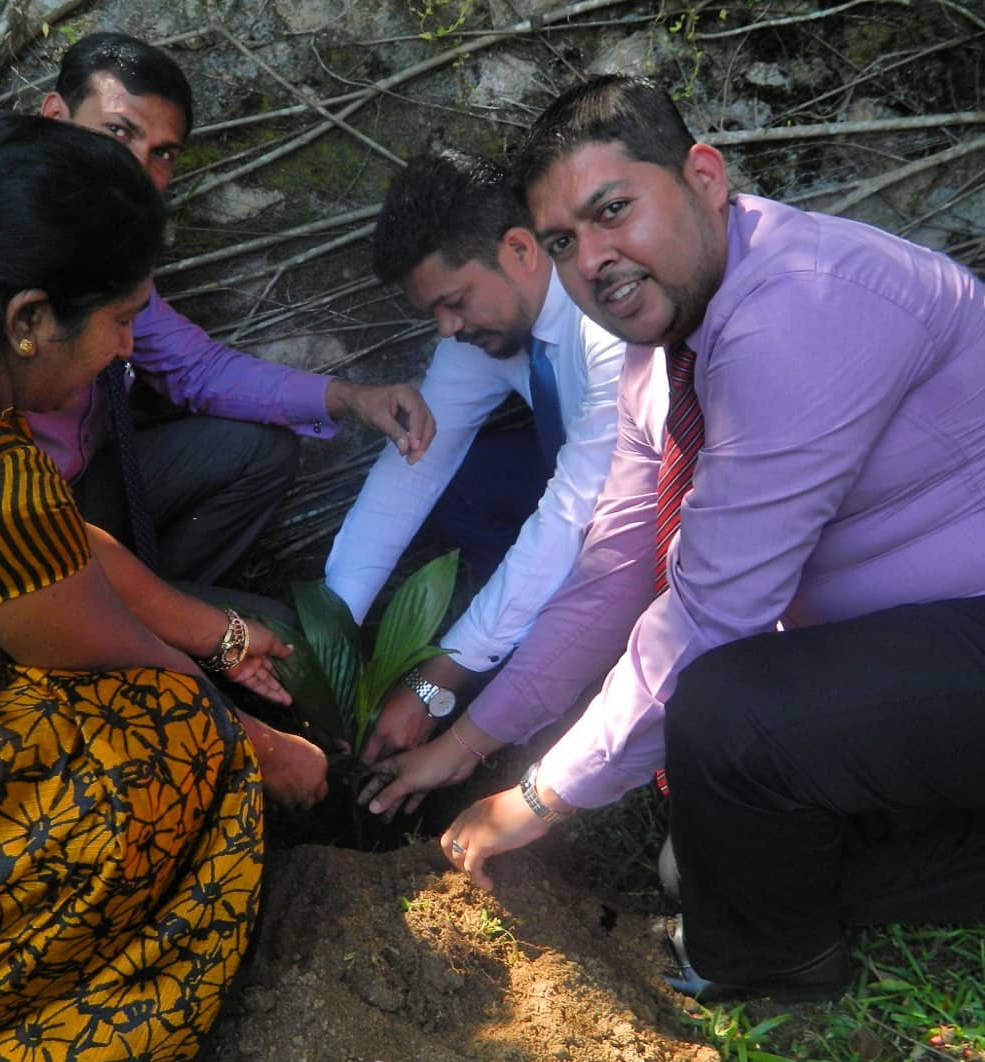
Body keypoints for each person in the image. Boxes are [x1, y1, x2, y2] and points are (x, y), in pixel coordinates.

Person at [367, 74, 985, 1002]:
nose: (597, 260)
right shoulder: (662, 352)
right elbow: (616, 564)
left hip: (963, 626)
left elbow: (711, 612)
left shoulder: (800, 311)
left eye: (615, 209)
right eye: (569, 241)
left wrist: (538, 797)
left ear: (702, 176)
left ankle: (773, 970)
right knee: (706, 859)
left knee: (727, 721)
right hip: (904, 646)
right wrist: (467, 745)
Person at [0, 112, 327, 1062]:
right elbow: (120, 654)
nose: (128, 350)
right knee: (175, 730)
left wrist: (222, 633)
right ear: (28, 319)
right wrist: (271, 751)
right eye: (120, 321)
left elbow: (65, 544)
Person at [32, 31, 435, 586]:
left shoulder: (113, 252)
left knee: (257, 450)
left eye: (162, 154)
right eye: (117, 132)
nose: (135, 171)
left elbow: (193, 367)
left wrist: (349, 398)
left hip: (79, 488)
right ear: (55, 118)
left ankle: (160, 616)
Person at [323, 148, 628, 763]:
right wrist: (329, 629)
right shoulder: (483, 331)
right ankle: (511, 615)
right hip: (569, 467)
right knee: (459, 482)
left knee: (567, 552)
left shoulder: (607, 330)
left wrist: (438, 681)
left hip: (646, 509)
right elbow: (416, 464)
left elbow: (569, 520)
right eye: (432, 310)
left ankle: (560, 659)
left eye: (455, 302)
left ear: (520, 249)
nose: (445, 327)